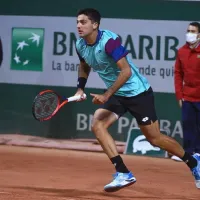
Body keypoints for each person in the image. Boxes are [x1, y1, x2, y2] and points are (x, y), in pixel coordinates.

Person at [74, 8, 200, 192]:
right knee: (97, 124)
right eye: (77, 21)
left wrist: (106, 95)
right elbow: (84, 65)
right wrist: (80, 88)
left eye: (83, 22)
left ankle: (192, 162)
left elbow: (126, 71)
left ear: (95, 25)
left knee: (154, 139)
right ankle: (123, 172)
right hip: (118, 93)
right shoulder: (80, 45)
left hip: (137, 93)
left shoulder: (109, 42)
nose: (78, 25)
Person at [173, 22, 200, 161]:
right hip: (187, 96)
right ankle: (188, 153)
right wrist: (179, 95)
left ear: (199, 35)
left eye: (193, 31)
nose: (190, 33)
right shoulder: (182, 51)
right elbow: (178, 74)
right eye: (188, 30)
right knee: (188, 125)